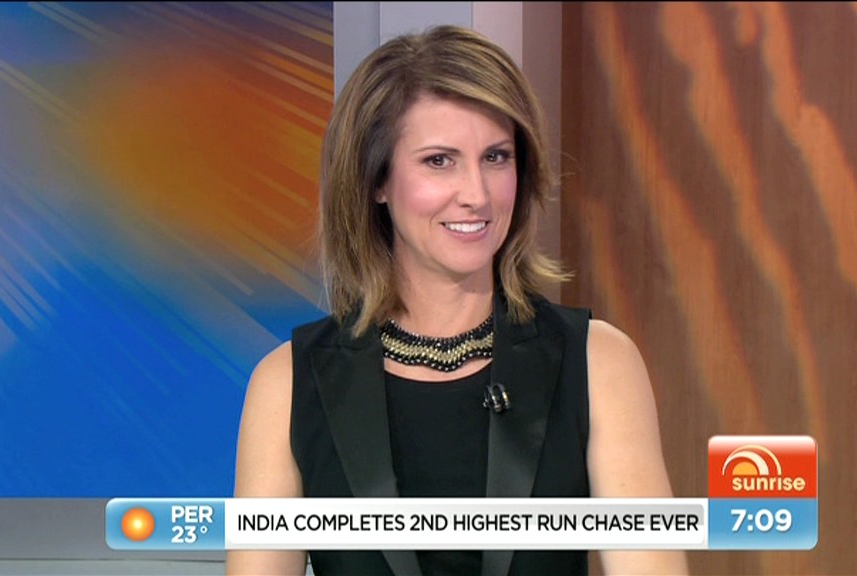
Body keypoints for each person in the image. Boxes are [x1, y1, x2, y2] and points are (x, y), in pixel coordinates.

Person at [226, 24, 687, 576]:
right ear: (376, 181)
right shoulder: (288, 384)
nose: (477, 194)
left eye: (496, 157)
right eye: (439, 161)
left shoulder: (598, 364)